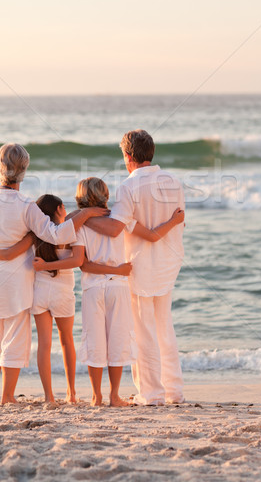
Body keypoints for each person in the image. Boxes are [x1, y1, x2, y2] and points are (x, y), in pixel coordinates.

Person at [0, 143, 107, 406]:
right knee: (14, 339)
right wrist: (85, 213)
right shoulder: (26, 206)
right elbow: (55, 234)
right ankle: (7, 396)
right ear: (24, 171)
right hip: (16, 281)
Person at [85, 130, 185, 406]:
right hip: (168, 261)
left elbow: (115, 227)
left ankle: (152, 393)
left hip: (140, 264)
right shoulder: (174, 182)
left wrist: (81, 218)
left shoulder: (128, 186)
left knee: (143, 329)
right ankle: (174, 391)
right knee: (164, 327)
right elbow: (179, 222)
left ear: (128, 157)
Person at [0, 194, 85, 405]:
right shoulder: (72, 232)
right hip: (63, 293)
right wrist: (87, 213)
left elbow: (11, 253)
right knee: (66, 340)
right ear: (61, 208)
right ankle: (71, 393)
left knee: (44, 344)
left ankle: (49, 396)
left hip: (39, 293)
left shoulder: (34, 234)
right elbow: (77, 260)